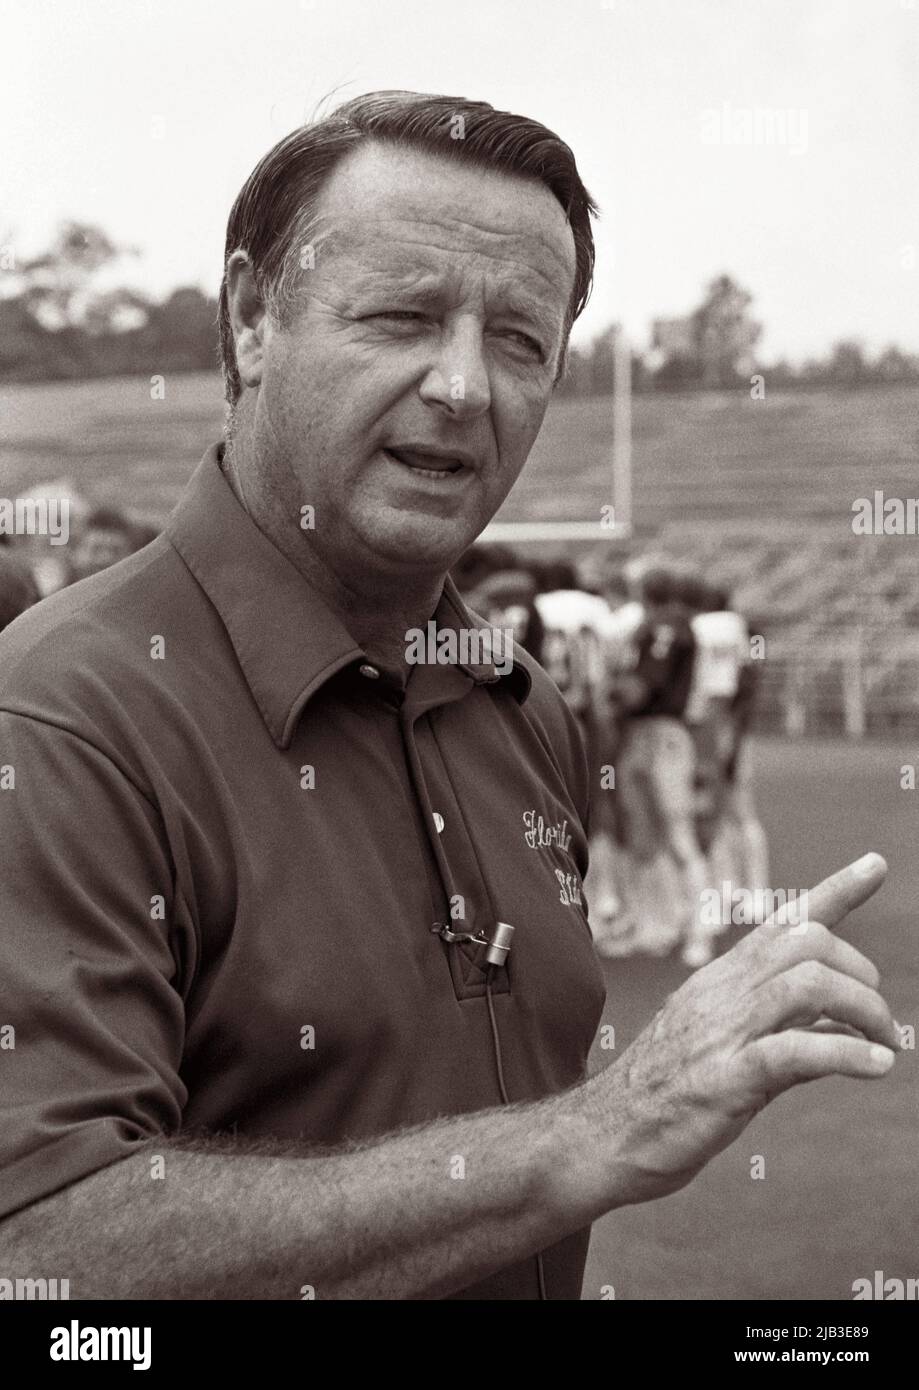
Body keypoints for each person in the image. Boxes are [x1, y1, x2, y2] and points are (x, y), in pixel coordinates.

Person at [0, 91, 899, 1301]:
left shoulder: (525, 712)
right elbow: (37, 1254)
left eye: (521, 340)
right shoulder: (62, 718)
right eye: (401, 316)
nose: (465, 386)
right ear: (253, 318)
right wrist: (597, 1132)